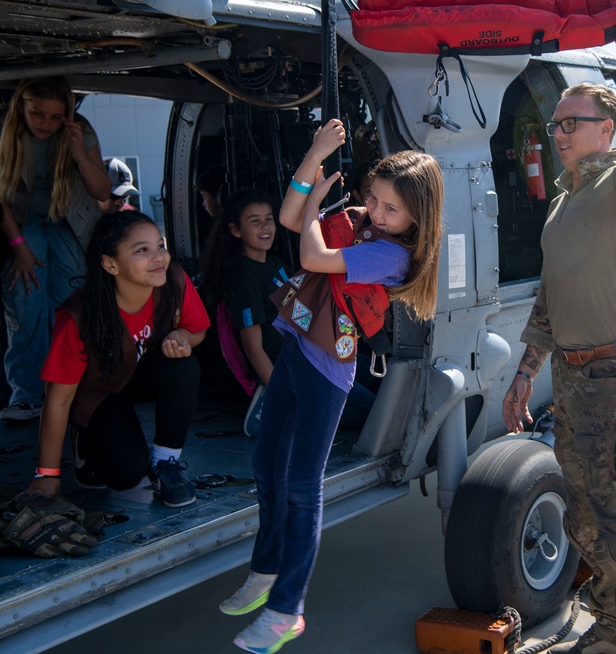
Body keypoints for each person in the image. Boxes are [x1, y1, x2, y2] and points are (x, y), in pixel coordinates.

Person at [220, 121, 444, 654]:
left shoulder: (392, 256)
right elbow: (292, 218)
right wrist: (315, 160)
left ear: (418, 218)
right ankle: (265, 569)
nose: (377, 212)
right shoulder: (357, 221)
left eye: (391, 209)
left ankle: (287, 609)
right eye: (374, 199)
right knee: (265, 464)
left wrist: (321, 207)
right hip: (298, 346)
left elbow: (312, 256)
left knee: (301, 483)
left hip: (328, 369)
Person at [502, 0, 616, 654]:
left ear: (606, 128)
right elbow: (549, 300)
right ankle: (612, 625)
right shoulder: (562, 203)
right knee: (586, 518)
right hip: (572, 380)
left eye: (570, 123)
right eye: (553, 127)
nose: (558, 134)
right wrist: (524, 374)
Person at [29, 211, 210, 508]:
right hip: (97, 392)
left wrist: (182, 338)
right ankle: (83, 437)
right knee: (124, 475)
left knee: (184, 365)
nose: (158, 257)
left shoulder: (174, 280)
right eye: (142, 250)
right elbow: (57, 401)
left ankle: (166, 464)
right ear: (110, 264)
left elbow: (197, 330)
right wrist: (47, 474)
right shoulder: (78, 316)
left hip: (136, 375)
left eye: (160, 246)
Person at [0, 77, 112, 421]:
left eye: (54, 117)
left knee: (69, 307)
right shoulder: (6, 133)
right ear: (21, 108)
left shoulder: (80, 131)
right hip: (20, 225)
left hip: (68, 224)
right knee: (26, 303)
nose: (45, 124)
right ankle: (28, 394)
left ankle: (69, 390)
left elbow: (103, 191)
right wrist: (18, 247)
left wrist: (79, 155)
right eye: (37, 115)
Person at [199, 190, 289, 435]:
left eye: (269, 219)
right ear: (235, 230)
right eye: (255, 221)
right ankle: (271, 402)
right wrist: (281, 391)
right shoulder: (245, 277)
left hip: (306, 355)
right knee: (366, 411)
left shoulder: (276, 265)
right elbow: (253, 348)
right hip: (284, 368)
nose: (265, 226)